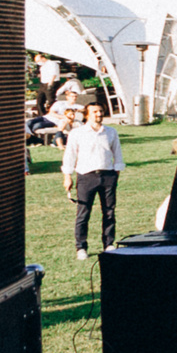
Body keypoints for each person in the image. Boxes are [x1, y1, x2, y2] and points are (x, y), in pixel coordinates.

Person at [64, 105, 123, 258]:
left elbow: (117, 153)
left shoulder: (110, 132)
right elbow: (69, 155)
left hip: (107, 175)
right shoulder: (77, 133)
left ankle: (109, 243)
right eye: (95, 112)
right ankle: (81, 247)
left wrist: (116, 171)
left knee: (109, 211)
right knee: (83, 213)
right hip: (86, 176)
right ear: (87, 115)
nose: (99, 114)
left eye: (101, 111)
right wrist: (67, 176)